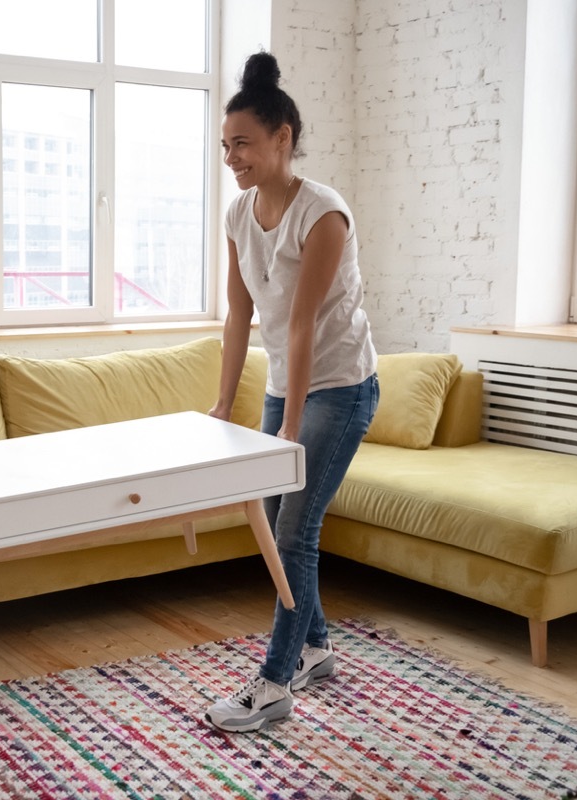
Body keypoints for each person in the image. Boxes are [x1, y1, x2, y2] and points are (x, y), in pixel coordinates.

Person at [204, 51, 379, 733]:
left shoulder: (323, 214)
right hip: (287, 385)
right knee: (279, 528)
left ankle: (274, 684)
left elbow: (303, 323)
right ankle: (317, 648)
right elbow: (238, 315)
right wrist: (225, 405)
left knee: (294, 532)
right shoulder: (237, 214)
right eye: (225, 145)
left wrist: (292, 423)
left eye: (242, 143)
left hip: (341, 387)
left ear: (282, 138)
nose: (231, 158)